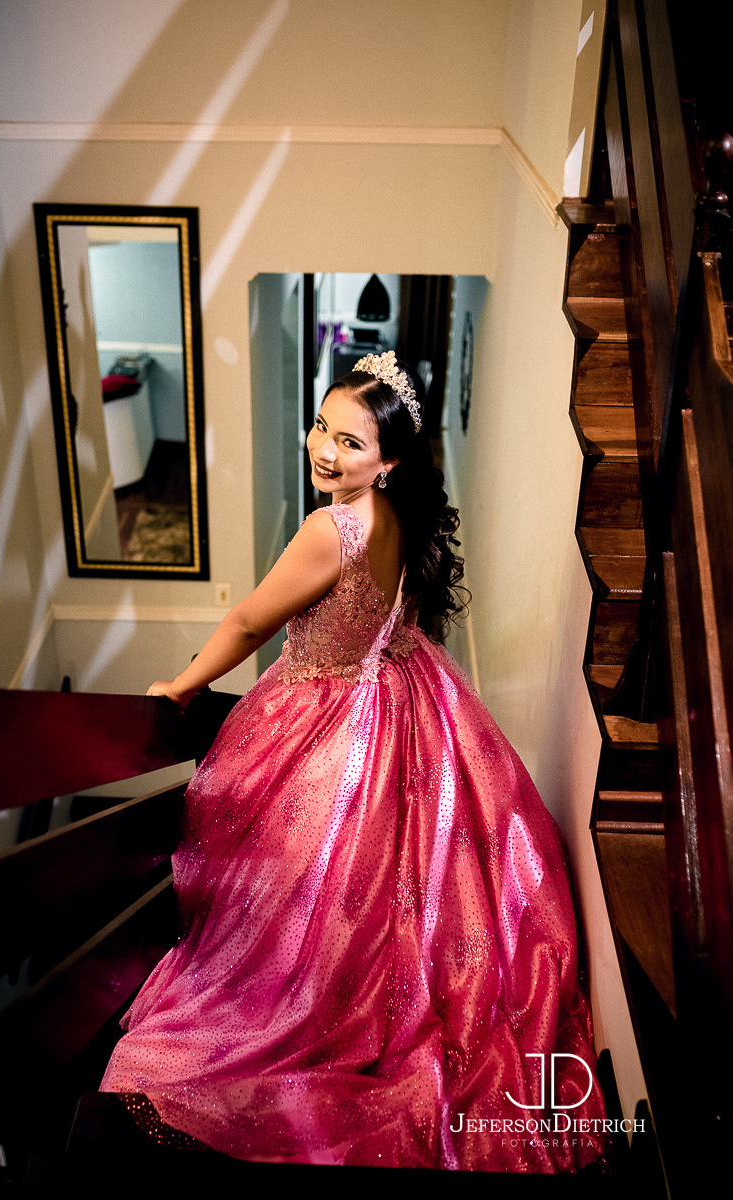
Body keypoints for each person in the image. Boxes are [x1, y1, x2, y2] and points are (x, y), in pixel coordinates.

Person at [101, 351, 607, 1172]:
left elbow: (246, 625)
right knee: (386, 883)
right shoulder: (397, 513)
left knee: (295, 875)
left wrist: (183, 685)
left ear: (389, 460)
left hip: (331, 708)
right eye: (321, 427)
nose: (323, 451)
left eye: (349, 443)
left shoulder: (329, 527)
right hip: (400, 694)